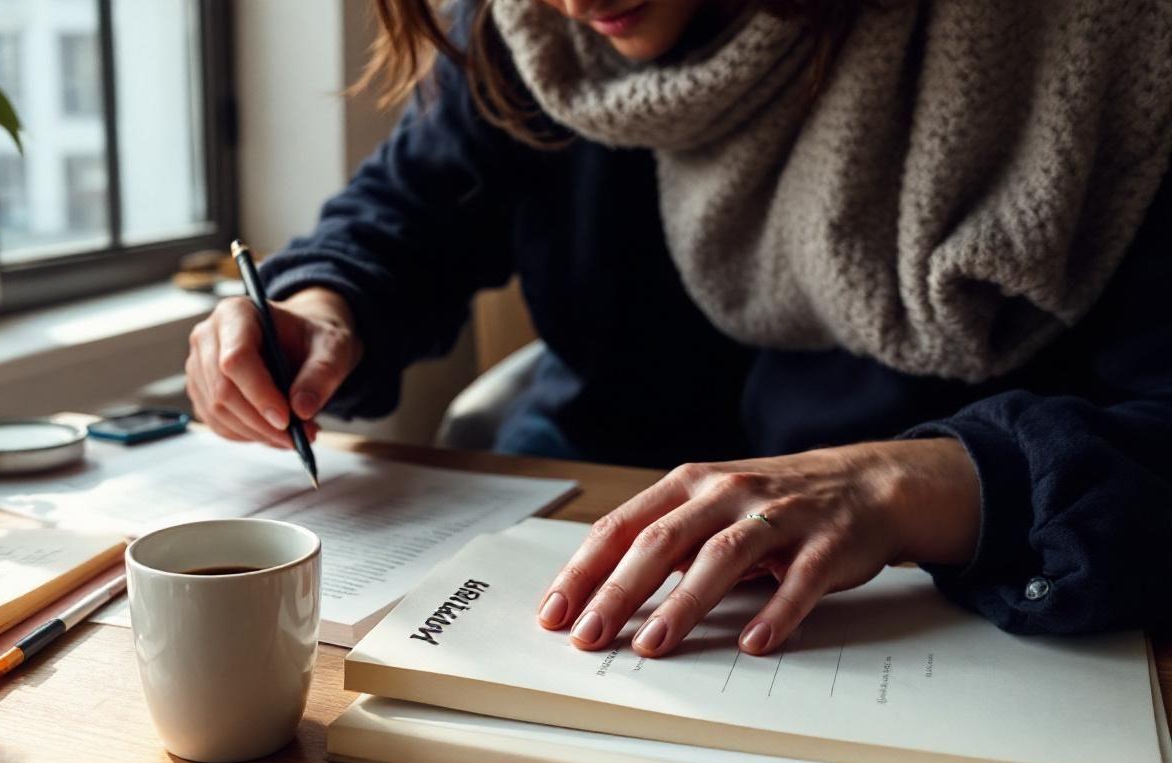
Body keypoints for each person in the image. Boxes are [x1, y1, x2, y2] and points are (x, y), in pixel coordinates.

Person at [185, 0, 1172, 661]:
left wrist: (916, 485)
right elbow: (404, 216)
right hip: (568, 540)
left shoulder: (1101, 59)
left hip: (942, 603)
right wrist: (319, 306)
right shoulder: (526, 29)